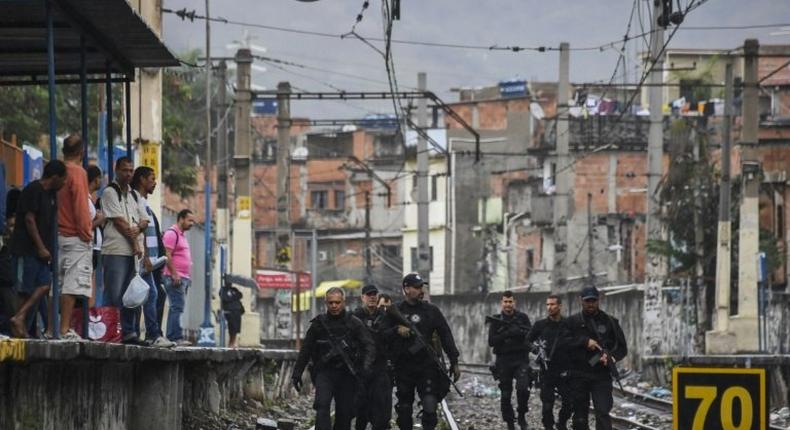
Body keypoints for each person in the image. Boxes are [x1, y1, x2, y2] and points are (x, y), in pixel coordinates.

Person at [292, 287, 375, 430]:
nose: (334, 306)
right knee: (322, 405)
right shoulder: (319, 324)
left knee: (344, 413)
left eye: (337, 302)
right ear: (326, 303)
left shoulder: (354, 323)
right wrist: (297, 372)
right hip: (325, 372)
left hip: (347, 374)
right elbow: (306, 349)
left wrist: (365, 368)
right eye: (331, 303)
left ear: (343, 302)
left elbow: (369, 346)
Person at [390, 273, 460, 430]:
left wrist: (454, 361)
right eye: (416, 287)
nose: (421, 290)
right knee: (404, 409)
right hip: (404, 368)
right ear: (406, 289)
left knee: (430, 406)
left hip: (426, 366)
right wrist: (396, 330)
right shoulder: (396, 310)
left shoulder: (431, 311)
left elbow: (446, 335)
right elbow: (383, 334)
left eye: (422, 287)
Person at [8, 160, 67, 338]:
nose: (64, 183)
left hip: (42, 254)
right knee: (25, 289)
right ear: (55, 177)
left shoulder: (51, 195)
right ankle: (19, 324)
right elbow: (29, 219)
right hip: (27, 250)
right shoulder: (34, 190)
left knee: (43, 285)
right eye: (63, 179)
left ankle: (19, 318)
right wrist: (41, 247)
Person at [100, 156, 149, 345]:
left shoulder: (134, 195)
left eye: (131, 170)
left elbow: (144, 219)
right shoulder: (110, 193)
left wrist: (138, 228)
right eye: (125, 170)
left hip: (132, 254)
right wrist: (136, 242)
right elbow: (120, 222)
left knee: (131, 295)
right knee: (114, 293)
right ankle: (109, 331)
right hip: (116, 251)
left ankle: (129, 333)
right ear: (116, 169)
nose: (128, 174)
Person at [565, 286, 627, 430]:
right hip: (578, 374)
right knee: (580, 416)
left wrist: (611, 358)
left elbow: (622, 348)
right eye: (587, 301)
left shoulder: (610, 322)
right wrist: (584, 341)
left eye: (593, 300)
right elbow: (563, 343)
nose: (590, 304)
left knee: (603, 412)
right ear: (581, 301)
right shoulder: (572, 322)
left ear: (598, 300)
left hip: (601, 375)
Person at [132, 166, 174, 347]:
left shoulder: (145, 204)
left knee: (151, 295)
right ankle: (151, 334)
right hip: (143, 259)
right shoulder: (135, 201)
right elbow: (139, 231)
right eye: (152, 179)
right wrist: (147, 256)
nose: (155, 183)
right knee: (148, 295)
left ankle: (149, 333)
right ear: (142, 180)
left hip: (151, 261)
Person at [56, 134, 93, 341]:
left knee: (57, 284)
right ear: (82, 151)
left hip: (57, 235)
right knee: (71, 284)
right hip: (75, 235)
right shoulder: (78, 173)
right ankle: (64, 330)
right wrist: (86, 233)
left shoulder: (56, 170)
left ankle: (52, 328)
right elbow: (80, 206)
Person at [526, 294, 573, 430]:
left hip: (564, 371)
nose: (549, 307)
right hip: (546, 371)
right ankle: (549, 427)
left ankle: (562, 423)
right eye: (547, 304)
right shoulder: (540, 325)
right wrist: (536, 349)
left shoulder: (568, 324)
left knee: (569, 403)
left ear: (560, 306)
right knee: (547, 405)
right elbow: (527, 340)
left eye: (552, 304)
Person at [487, 290, 532, 430]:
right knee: (505, 395)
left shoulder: (523, 318)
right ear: (502, 303)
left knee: (523, 389)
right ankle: (510, 423)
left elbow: (530, 336)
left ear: (514, 302)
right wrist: (507, 333)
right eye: (505, 302)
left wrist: (518, 333)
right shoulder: (496, 320)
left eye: (510, 302)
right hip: (504, 361)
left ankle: (522, 415)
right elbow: (491, 341)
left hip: (521, 360)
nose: (508, 305)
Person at [352, 285, 393, 430]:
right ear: (362, 297)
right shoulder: (355, 316)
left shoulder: (385, 316)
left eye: (374, 294)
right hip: (361, 368)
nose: (372, 297)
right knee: (361, 410)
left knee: (381, 408)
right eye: (369, 295)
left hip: (380, 367)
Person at [163, 208, 195, 346]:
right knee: (177, 307)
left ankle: (173, 336)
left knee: (177, 307)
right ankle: (174, 337)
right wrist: (175, 273)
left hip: (183, 278)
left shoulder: (182, 235)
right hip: (174, 277)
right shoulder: (172, 234)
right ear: (181, 219)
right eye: (189, 220)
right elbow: (167, 255)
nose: (192, 223)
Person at [87, 165, 104, 306]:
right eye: (100, 178)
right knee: (88, 285)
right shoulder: (85, 199)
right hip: (89, 247)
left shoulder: (89, 198)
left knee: (92, 284)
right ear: (95, 179)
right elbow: (86, 226)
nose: (101, 182)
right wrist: (101, 219)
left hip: (95, 248)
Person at [219, 277, 244, 347]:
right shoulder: (223, 290)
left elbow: (240, 295)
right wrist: (233, 297)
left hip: (237, 310)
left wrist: (232, 297)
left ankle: (233, 342)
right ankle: (231, 343)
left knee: (236, 328)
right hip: (229, 311)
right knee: (231, 327)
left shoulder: (234, 289)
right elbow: (225, 298)